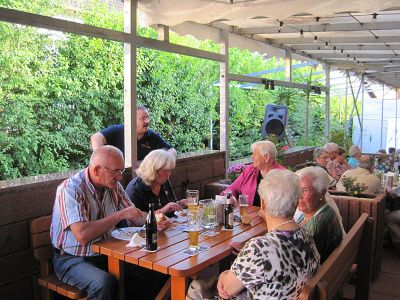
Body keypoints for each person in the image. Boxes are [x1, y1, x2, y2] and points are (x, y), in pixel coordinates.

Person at [50, 146, 168, 300]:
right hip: (72, 258)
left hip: (106, 253)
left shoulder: (113, 186)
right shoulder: (71, 189)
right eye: (115, 171)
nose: (120, 177)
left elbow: (134, 215)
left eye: (122, 171)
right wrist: (119, 215)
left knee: (153, 269)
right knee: (103, 283)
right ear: (97, 170)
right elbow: (82, 235)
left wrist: (153, 222)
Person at [217, 170, 320, 299]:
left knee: (199, 286)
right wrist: (246, 256)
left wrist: (223, 274)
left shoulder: (259, 249)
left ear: (263, 203)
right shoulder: (306, 236)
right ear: (295, 203)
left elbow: (227, 289)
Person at [295, 166, 343, 263]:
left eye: (305, 190)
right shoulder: (321, 209)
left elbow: (301, 261)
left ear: (321, 193)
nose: (299, 195)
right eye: (297, 189)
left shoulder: (315, 225)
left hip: (320, 275)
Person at [90, 105, 177, 160]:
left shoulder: (152, 136)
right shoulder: (119, 130)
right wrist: (102, 160)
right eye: (143, 118)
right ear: (132, 120)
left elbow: (172, 150)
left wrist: (164, 162)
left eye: (148, 117)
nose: (147, 121)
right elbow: (96, 137)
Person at [125, 149, 187, 218]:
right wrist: (163, 210)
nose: (169, 174)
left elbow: (172, 205)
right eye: (165, 171)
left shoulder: (164, 181)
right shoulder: (135, 189)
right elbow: (137, 219)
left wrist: (182, 203)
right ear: (153, 169)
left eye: (170, 170)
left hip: (170, 226)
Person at [222, 140, 285, 206]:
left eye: (254, 155)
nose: (252, 157)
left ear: (266, 158)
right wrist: (230, 196)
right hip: (248, 214)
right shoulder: (250, 170)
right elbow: (232, 188)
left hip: (272, 216)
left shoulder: (283, 176)